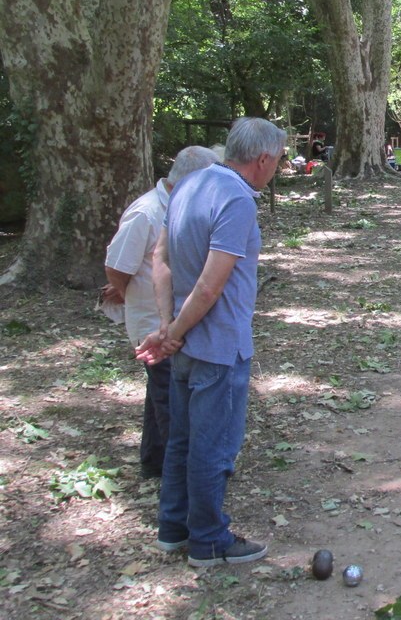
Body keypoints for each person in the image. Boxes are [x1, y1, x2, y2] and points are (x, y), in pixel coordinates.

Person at [136, 117, 287, 567]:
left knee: (182, 438)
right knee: (213, 444)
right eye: (277, 160)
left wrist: (167, 327)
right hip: (218, 346)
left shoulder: (189, 183)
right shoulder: (238, 199)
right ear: (262, 159)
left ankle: (173, 526)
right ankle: (208, 540)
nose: (276, 167)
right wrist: (174, 333)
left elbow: (159, 259)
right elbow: (209, 286)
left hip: (184, 345)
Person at [101, 146, 220, 478]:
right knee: (170, 399)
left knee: (160, 391)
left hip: (173, 320)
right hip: (155, 322)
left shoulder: (179, 208)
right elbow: (116, 267)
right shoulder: (147, 213)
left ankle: (154, 460)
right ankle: (176, 472)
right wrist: (134, 297)